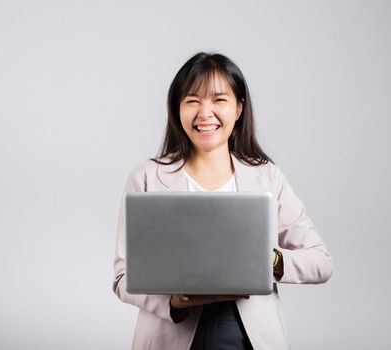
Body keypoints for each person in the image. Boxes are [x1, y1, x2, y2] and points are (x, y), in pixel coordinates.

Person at [112, 52, 333, 350]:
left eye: (219, 100)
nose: (205, 113)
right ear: (177, 108)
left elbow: (321, 262)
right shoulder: (146, 178)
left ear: (239, 107)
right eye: (192, 100)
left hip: (246, 335)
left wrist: (272, 260)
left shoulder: (267, 177)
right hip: (172, 331)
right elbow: (123, 277)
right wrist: (173, 302)